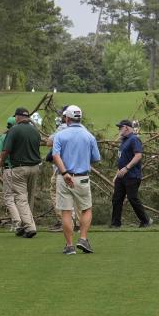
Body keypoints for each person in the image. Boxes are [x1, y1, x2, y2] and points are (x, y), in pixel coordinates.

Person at [51, 105, 101, 255]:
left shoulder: (61, 135)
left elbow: (55, 156)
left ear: (67, 118)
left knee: (66, 211)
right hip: (83, 177)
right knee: (86, 209)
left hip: (63, 178)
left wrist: (65, 172)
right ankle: (83, 238)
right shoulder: (89, 136)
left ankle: (69, 245)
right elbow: (96, 158)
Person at [0, 108, 42, 237]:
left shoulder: (14, 130)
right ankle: (23, 225)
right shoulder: (35, 131)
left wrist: (1, 161)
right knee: (29, 197)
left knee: (20, 198)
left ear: (18, 117)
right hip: (35, 167)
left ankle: (30, 227)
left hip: (19, 167)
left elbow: (6, 150)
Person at [110, 118, 152, 228]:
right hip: (121, 175)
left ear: (126, 128)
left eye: (120, 127)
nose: (119, 129)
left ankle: (145, 220)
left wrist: (126, 168)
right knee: (116, 199)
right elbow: (122, 159)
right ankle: (115, 223)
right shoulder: (124, 141)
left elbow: (138, 155)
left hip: (132, 175)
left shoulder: (134, 139)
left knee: (132, 198)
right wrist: (117, 174)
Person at [0, 116, 21, 232]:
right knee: (20, 196)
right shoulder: (21, 136)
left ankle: (17, 222)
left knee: (9, 197)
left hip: (9, 169)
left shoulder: (4, 137)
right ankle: (24, 220)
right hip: (21, 169)